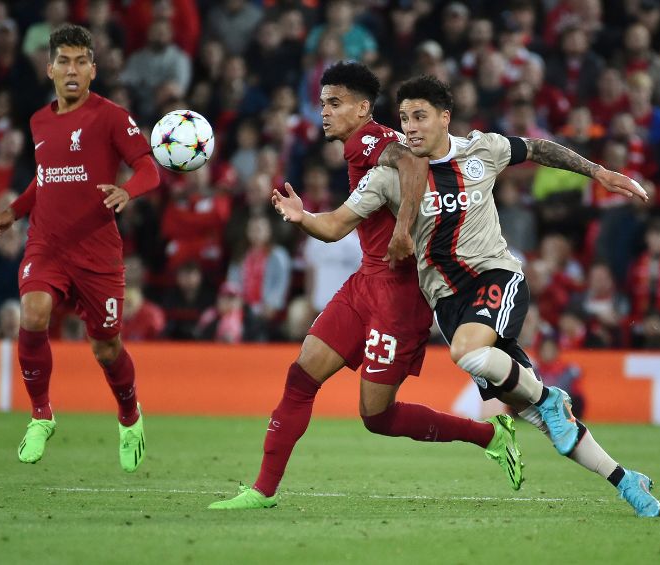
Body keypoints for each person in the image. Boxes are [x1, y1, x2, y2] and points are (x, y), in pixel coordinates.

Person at [272, 75, 660, 518]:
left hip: (496, 278)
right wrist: (301, 216)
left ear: (445, 118)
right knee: (538, 417)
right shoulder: (387, 178)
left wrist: (598, 172)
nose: (411, 127)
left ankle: (551, 397)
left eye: (420, 116)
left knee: (470, 356)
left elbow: (537, 148)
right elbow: (335, 223)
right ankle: (626, 479)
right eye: (404, 118)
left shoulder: (484, 150)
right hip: (451, 306)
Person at [209, 62, 523, 511]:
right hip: (366, 281)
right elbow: (341, 222)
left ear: (362, 108)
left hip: (400, 296)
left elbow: (413, 164)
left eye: (335, 104)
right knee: (302, 375)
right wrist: (304, 217)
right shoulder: (362, 146)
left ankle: (489, 434)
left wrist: (402, 230)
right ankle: (262, 490)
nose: (325, 113)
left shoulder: (373, 140)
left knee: (376, 416)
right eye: (322, 103)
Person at [0, 25, 159, 472]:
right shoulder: (39, 122)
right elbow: (46, 181)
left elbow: (148, 169)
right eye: (63, 60)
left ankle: (129, 414)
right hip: (47, 244)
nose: (72, 69)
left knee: (106, 348)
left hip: (97, 253)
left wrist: (128, 191)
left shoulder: (112, 117)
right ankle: (41, 414)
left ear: (93, 70)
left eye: (81, 61)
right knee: (33, 313)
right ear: (49, 68)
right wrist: (12, 213)